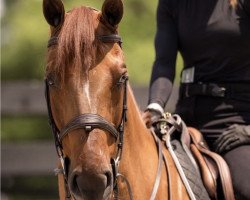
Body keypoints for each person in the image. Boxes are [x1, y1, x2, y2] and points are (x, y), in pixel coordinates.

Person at [143, 0, 250, 199]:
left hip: (236, 121)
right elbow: (164, 63)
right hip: (187, 116)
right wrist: (155, 106)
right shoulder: (172, 4)